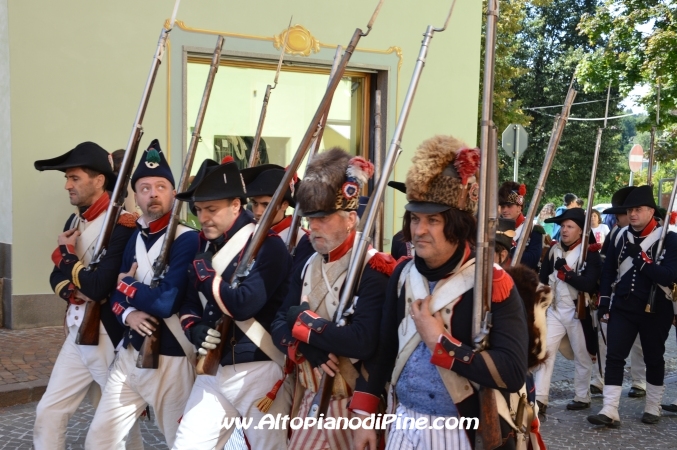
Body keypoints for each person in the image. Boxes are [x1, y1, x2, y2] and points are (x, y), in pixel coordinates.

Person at [372, 135, 529, 449]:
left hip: (460, 429)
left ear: (457, 225)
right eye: (415, 218)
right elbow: (385, 351)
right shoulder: (402, 275)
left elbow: (511, 371)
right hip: (402, 420)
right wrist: (366, 412)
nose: (419, 230)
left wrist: (439, 341)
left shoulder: (492, 283)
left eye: (433, 220)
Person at [270, 148, 394, 450]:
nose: (313, 227)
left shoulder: (373, 267)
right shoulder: (307, 264)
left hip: (353, 399)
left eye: (323, 218)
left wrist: (304, 327)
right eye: (311, 219)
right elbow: (278, 321)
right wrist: (305, 348)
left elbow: (362, 341)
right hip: (311, 393)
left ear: (350, 218)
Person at [171, 157, 292, 449]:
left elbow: (243, 305)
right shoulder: (205, 244)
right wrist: (194, 328)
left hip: (258, 369)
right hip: (214, 369)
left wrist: (206, 274)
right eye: (199, 210)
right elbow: (187, 301)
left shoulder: (268, 245)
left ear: (236, 205)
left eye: (212, 209)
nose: (203, 218)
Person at [85, 140, 199, 449]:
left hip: (172, 357)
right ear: (136, 195)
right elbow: (117, 297)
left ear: (173, 193)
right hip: (130, 353)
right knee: (100, 439)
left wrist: (126, 285)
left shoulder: (187, 239)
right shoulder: (135, 234)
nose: (153, 193)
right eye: (145, 187)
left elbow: (166, 302)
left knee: (181, 441)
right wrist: (128, 313)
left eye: (161, 186)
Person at [33, 142, 142, 449]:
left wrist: (68, 256)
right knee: (49, 410)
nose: (67, 185)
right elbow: (57, 275)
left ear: (99, 180)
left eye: (74, 178)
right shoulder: (75, 221)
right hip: (79, 331)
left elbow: (98, 286)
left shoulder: (122, 225)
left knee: (117, 424)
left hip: (107, 334)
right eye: (66, 178)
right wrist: (71, 291)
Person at [588, 185, 677, 427]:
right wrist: (604, 300)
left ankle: (653, 406)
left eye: (638, 209)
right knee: (614, 356)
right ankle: (609, 410)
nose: (633, 214)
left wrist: (643, 261)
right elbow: (608, 271)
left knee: (654, 358)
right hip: (623, 306)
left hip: (656, 308)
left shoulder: (669, 239)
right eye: (630, 210)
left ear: (650, 211)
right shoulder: (619, 235)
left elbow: (668, 276)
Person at [533, 208, 602, 413]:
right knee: (545, 352)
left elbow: (590, 284)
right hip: (555, 309)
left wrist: (568, 274)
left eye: (570, 226)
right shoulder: (554, 250)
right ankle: (540, 398)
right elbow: (543, 279)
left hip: (577, 310)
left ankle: (582, 396)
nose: (564, 230)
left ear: (580, 231)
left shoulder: (590, 252)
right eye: (563, 226)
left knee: (582, 355)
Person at [591, 186, 647, 397]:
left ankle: (639, 381)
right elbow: (608, 266)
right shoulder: (616, 233)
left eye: (619, 215)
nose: (617, 219)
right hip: (617, 294)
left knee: (639, 344)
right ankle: (601, 378)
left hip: (641, 296)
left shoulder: (653, 235)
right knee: (608, 341)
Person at [239, 163, 314, 270]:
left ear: (284, 205)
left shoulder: (302, 240)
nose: (258, 212)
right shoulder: (249, 231)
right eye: (255, 203)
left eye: (266, 205)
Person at [498, 181, 543, 271]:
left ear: (520, 207)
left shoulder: (534, 229)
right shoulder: (496, 227)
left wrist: (508, 242)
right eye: (502, 206)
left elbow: (531, 261)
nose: (505, 210)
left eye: (509, 206)